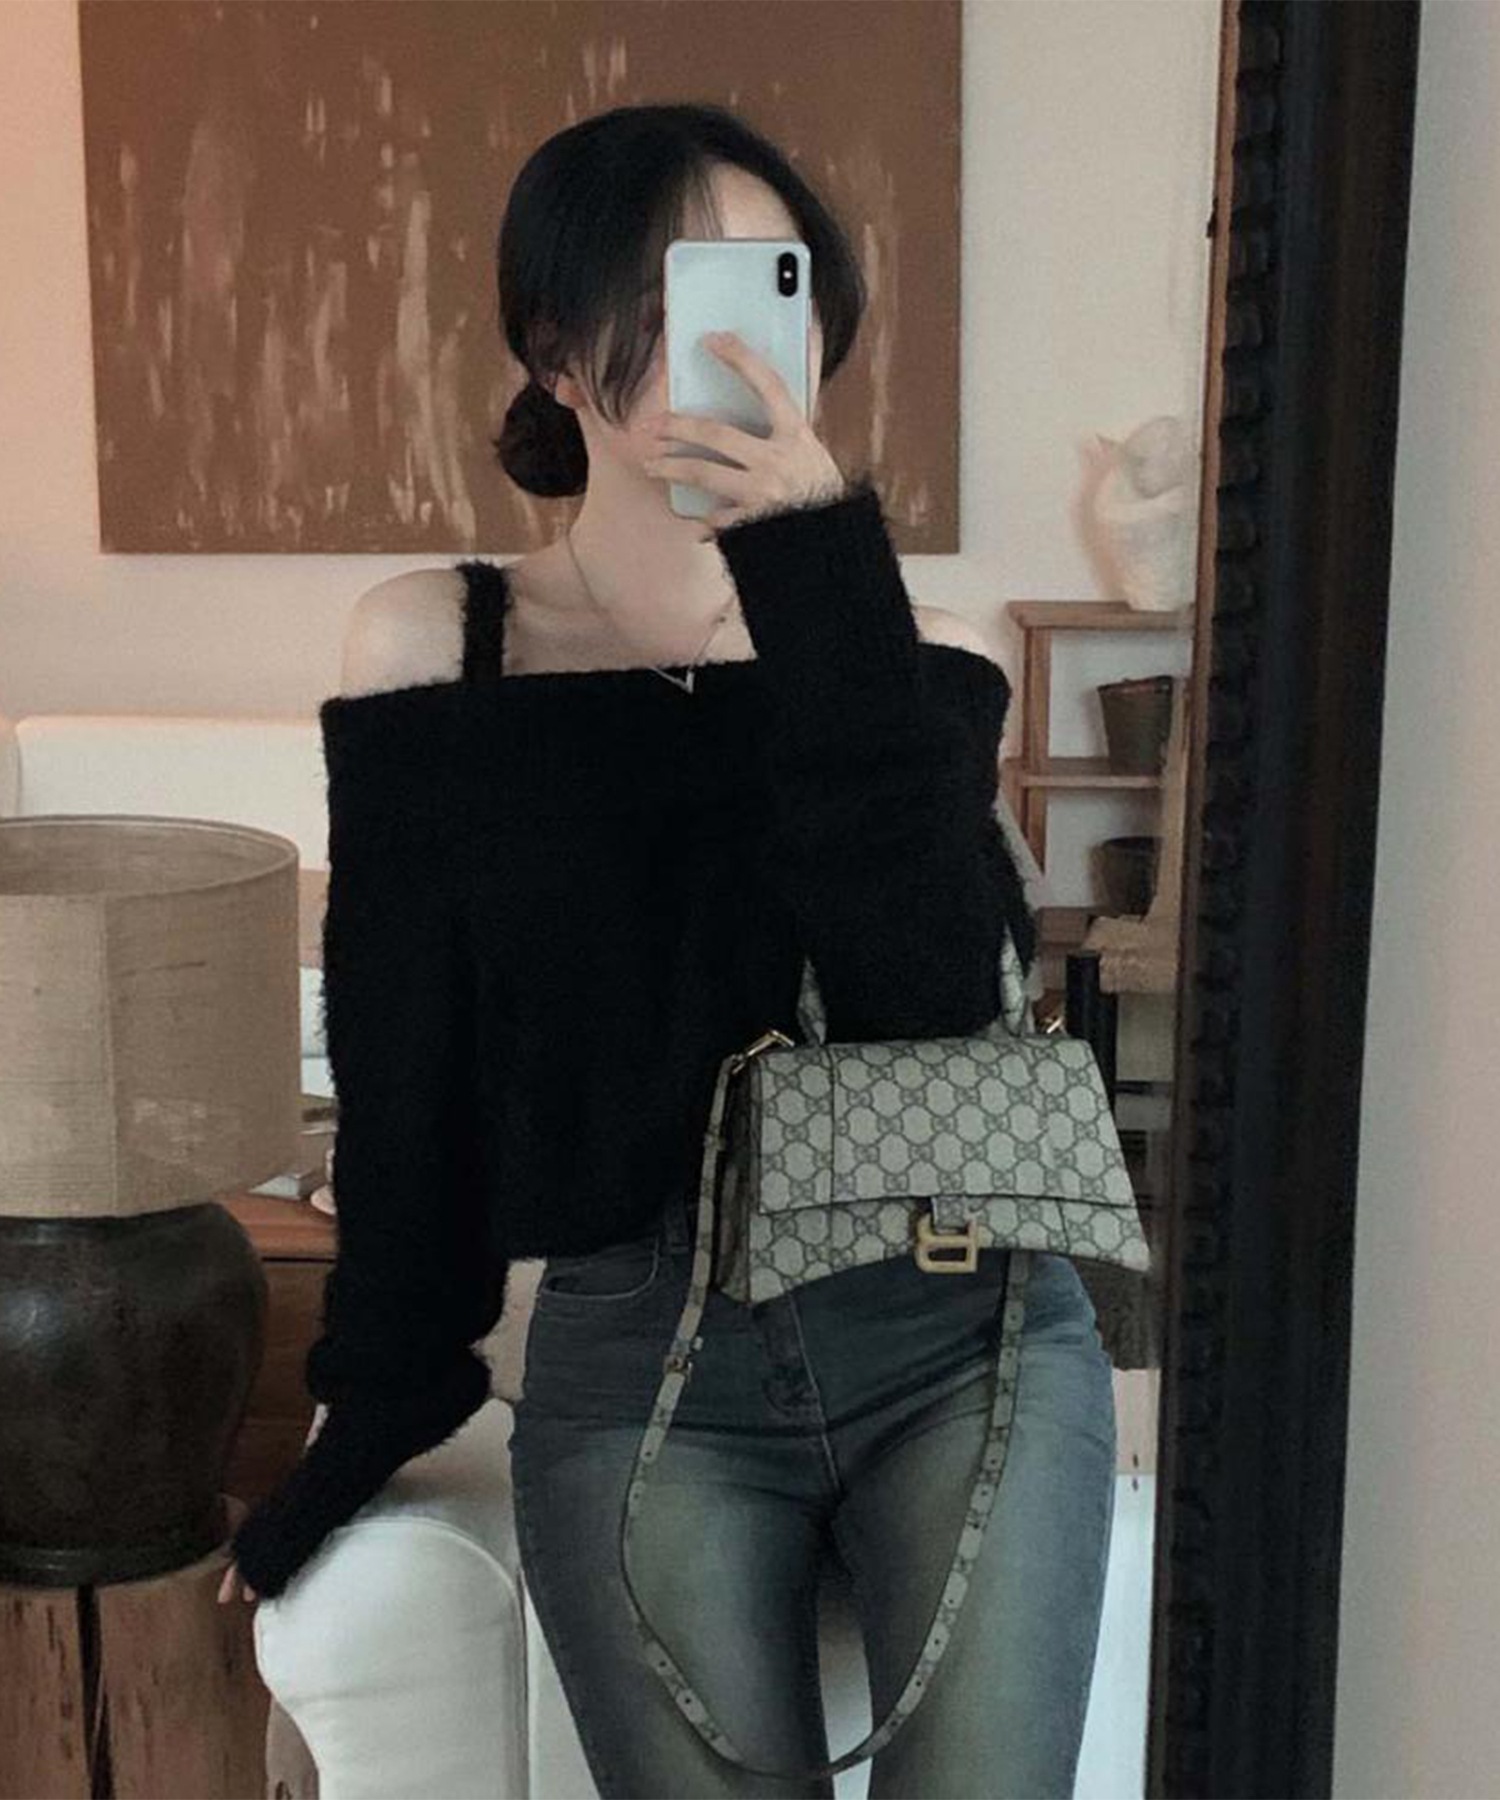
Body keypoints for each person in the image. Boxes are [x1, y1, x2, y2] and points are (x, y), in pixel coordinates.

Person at [223, 102, 1114, 1799]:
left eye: (770, 285)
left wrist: (813, 567)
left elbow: (929, 997)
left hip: (954, 1325)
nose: (736, 338)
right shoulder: (440, 647)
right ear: (556, 350)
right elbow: (409, 1075)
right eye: (667, 289)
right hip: (643, 1358)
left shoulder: (907, 649)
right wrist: (366, 1416)